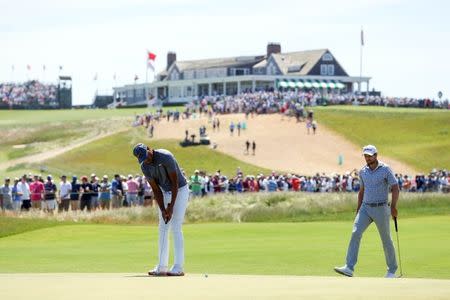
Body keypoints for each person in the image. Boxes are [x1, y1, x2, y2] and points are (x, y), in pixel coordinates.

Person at [334, 145, 399, 278]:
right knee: (355, 232)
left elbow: (395, 187)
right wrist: (358, 210)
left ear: (376, 155)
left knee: (386, 239)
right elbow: (362, 191)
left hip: (381, 208)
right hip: (365, 208)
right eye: (365, 156)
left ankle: (392, 270)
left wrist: (393, 206)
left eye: (370, 155)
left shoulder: (385, 169)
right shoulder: (363, 171)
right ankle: (349, 267)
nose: (367, 158)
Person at [133, 143, 189, 276]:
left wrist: (171, 207)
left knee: (175, 227)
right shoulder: (145, 166)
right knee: (163, 227)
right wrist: (164, 209)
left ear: (149, 149)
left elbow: (175, 183)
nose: (146, 160)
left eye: (146, 156)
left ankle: (178, 267)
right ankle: (162, 266)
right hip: (164, 193)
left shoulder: (165, 156)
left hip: (180, 190)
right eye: (142, 159)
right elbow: (155, 190)